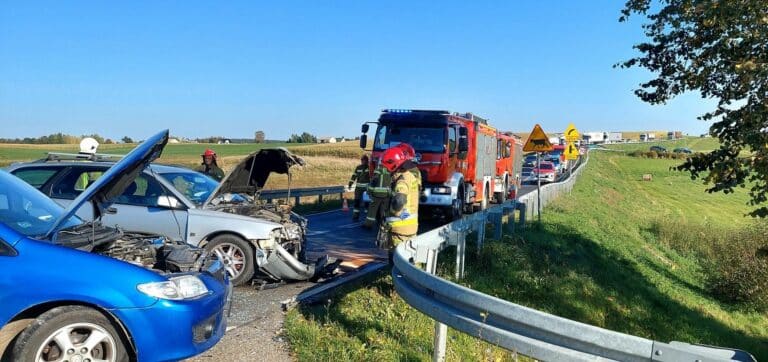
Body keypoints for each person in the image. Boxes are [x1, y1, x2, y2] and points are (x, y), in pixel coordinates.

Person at [381, 143, 421, 263]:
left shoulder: (401, 181)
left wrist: (392, 213)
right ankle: (415, 279)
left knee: (398, 262)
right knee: (410, 260)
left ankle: (399, 279)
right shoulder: (410, 176)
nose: (386, 170)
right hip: (409, 228)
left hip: (399, 230)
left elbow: (399, 201)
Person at [365, 161, 391, 231]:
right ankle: (384, 225)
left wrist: (369, 191)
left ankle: (368, 225)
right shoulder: (390, 171)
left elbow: (374, 181)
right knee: (384, 211)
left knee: (372, 210)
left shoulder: (378, 170)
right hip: (386, 195)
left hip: (376, 194)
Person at [347, 154, 370, 221]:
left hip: (364, 188)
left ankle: (366, 215)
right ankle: (356, 215)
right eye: (362, 160)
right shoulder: (359, 168)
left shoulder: (369, 168)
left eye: (364, 160)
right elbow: (354, 176)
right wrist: (350, 183)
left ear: (367, 161)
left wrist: (350, 184)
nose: (363, 161)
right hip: (361, 188)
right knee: (357, 201)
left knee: (366, 202)